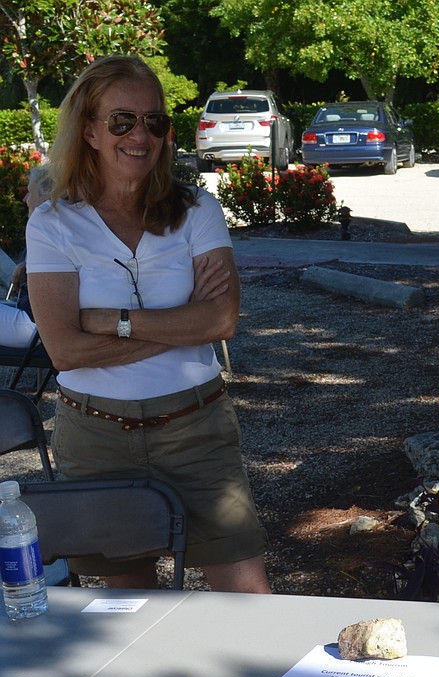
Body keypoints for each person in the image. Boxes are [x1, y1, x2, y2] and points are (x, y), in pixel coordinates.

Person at [26, 55, 271, 593]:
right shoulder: (53, 222)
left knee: (251, 604)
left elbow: (223, 319)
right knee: (130, 614)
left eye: (154, 121)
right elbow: (65, 350)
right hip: (96, 438)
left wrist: (111, 322)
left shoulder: (196, 209)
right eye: (122, 121)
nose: (141, 134)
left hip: (197, 432)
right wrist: (183, 324)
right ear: (88, 130)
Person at [0, 166, 51, 348]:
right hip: (40, 323)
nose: (25, 199)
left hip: (35, 326)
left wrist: (26, 266)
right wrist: (25, 265)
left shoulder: (45, 228)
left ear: (45, 198)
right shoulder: (60, 228)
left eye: (30, 193)